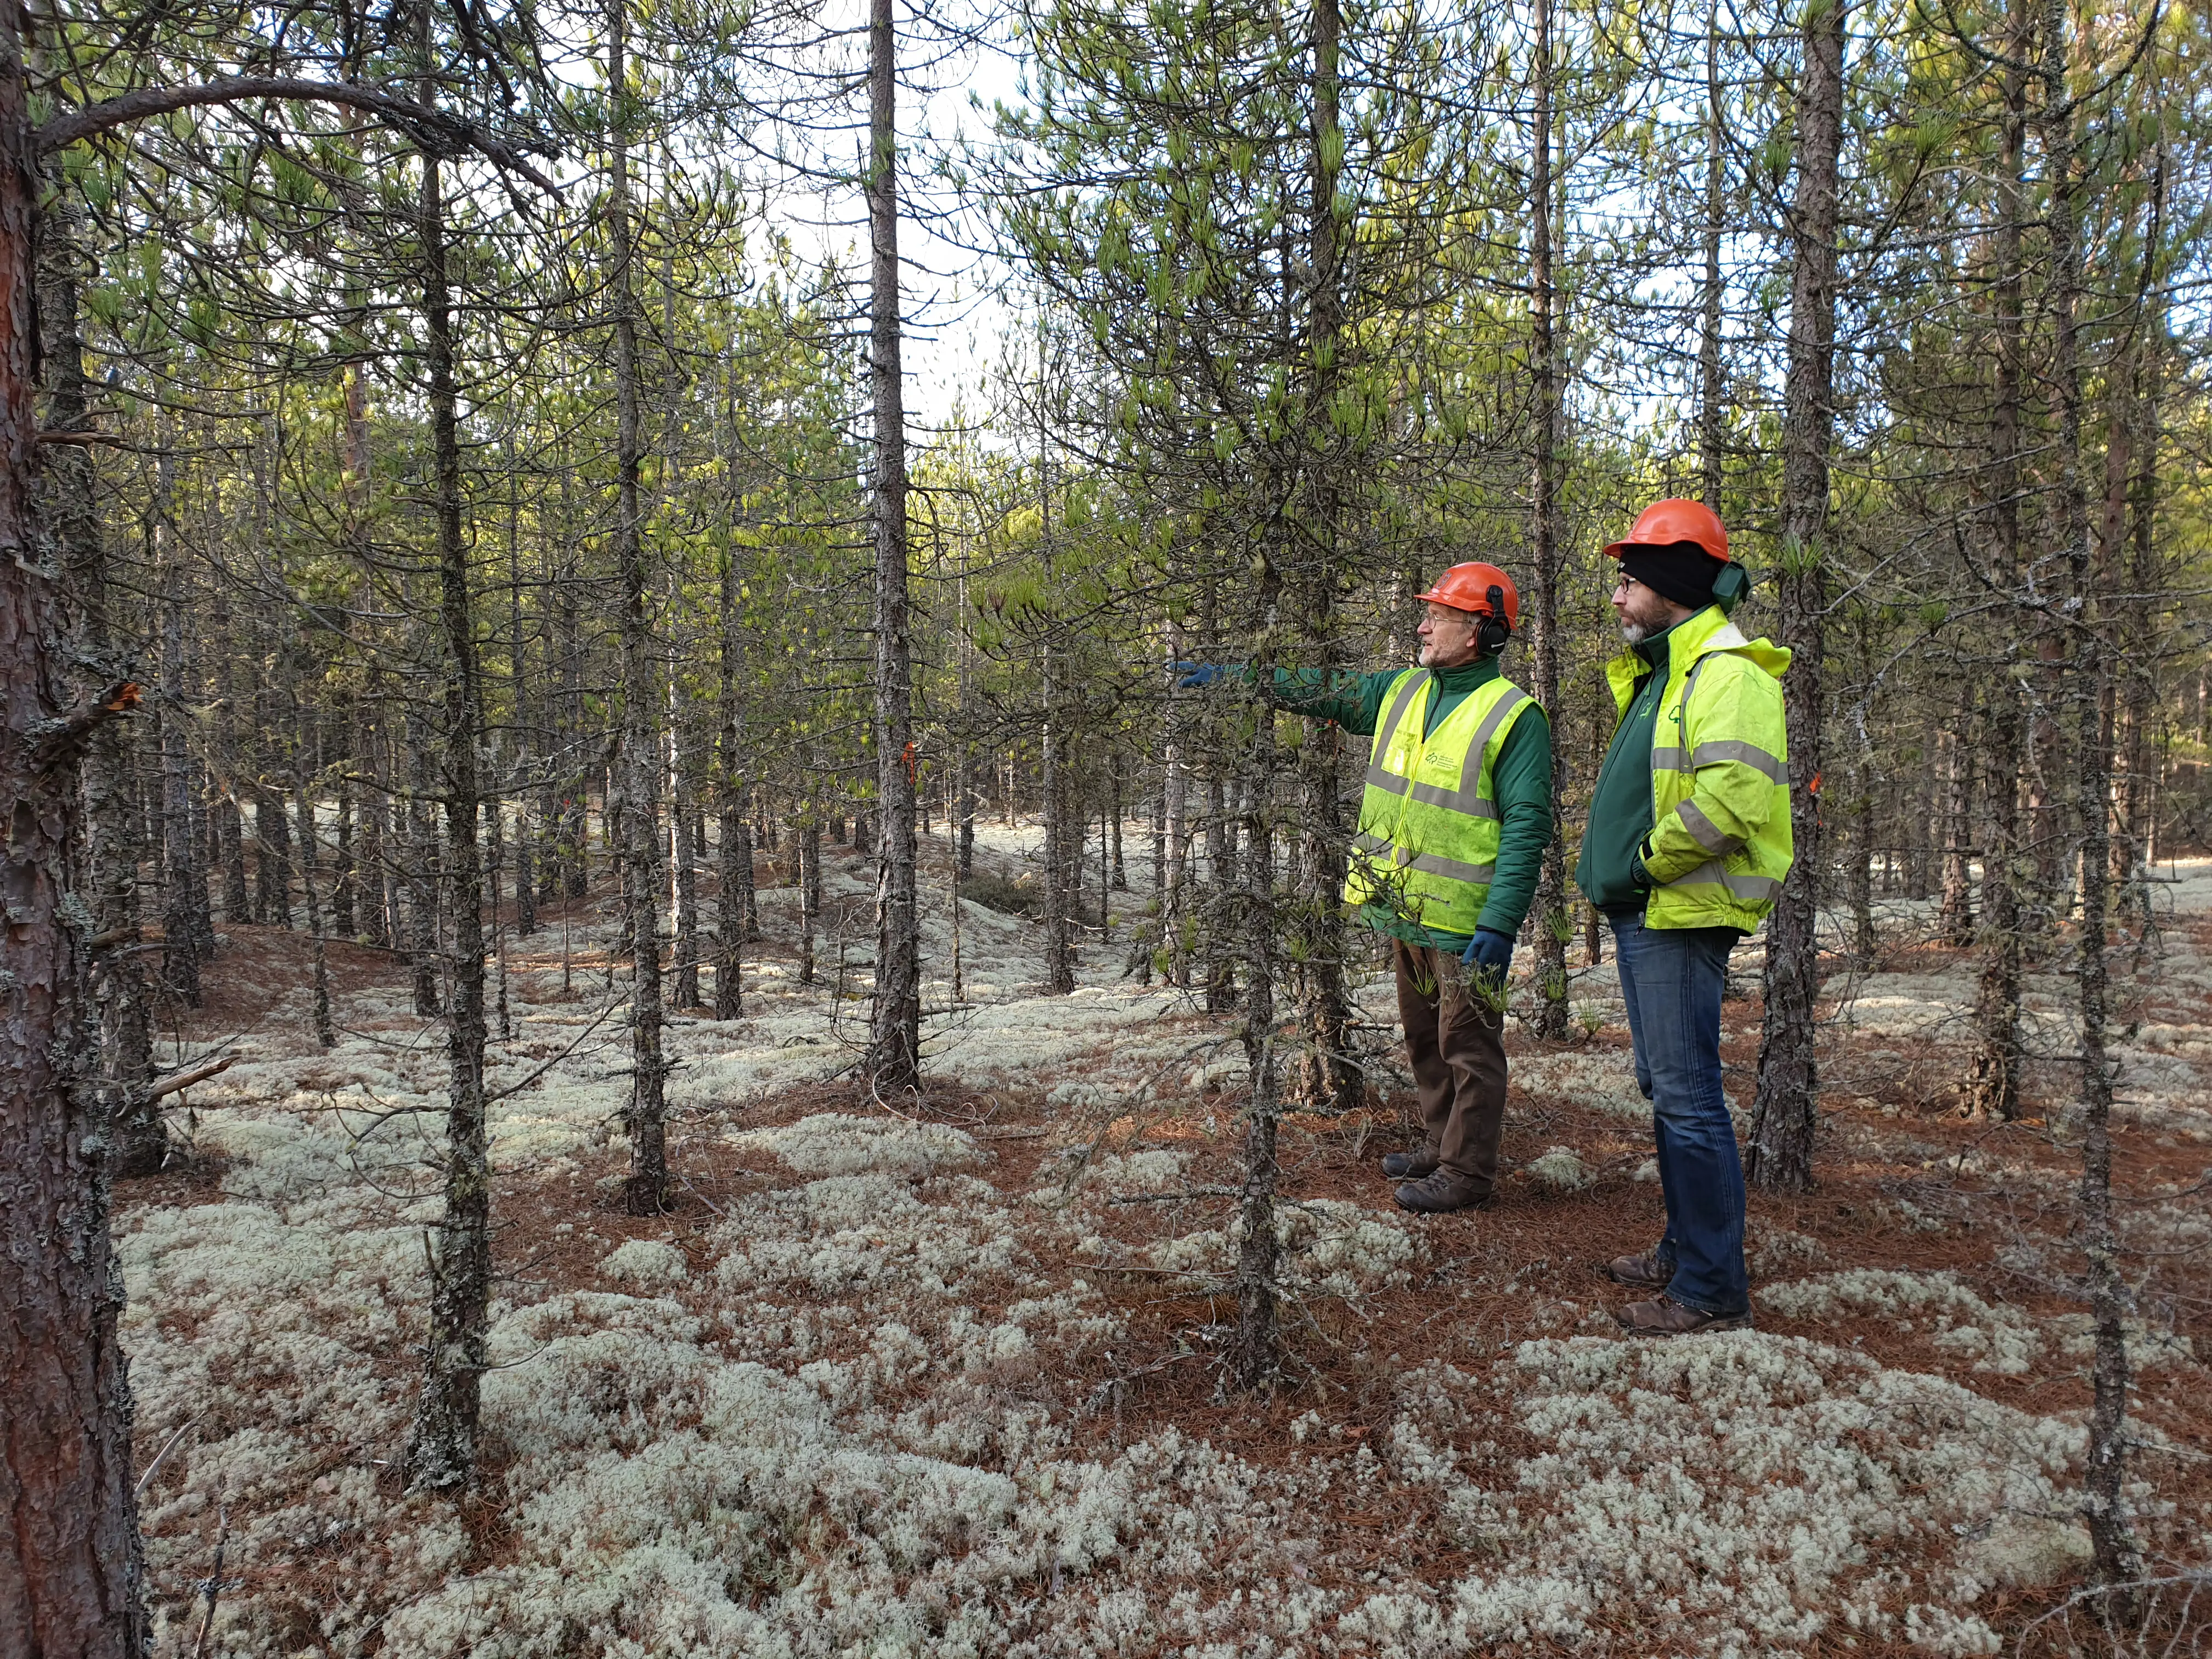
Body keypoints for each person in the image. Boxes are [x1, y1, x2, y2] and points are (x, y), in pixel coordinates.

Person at [1182, 564, 1553, 1215]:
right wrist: (1240, 679)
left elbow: (1527, 827)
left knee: (1468, 1047)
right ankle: (1443, 1145)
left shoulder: (1514, 717)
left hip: (1467, 921)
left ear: (1479, 633)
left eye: (1437, 616)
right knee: (1424, 1040)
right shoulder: (1403, 691)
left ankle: (1468, 1173)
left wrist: (1501, 923)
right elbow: (1322, 689)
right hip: (1403, 907)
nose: (1423, 624)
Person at [1575, 499, 1793, 1335]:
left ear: (1672, 583)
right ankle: (1685, 1247)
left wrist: (1641, 863)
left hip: (1676, 909)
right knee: (1666, 1090)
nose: (1619, 596)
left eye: (1630, 580)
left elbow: (1730, 800)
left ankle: (1709, 1289)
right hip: (1648, 912)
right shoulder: (1668, 670)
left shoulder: (1726, 672)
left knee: (1690, 1096)